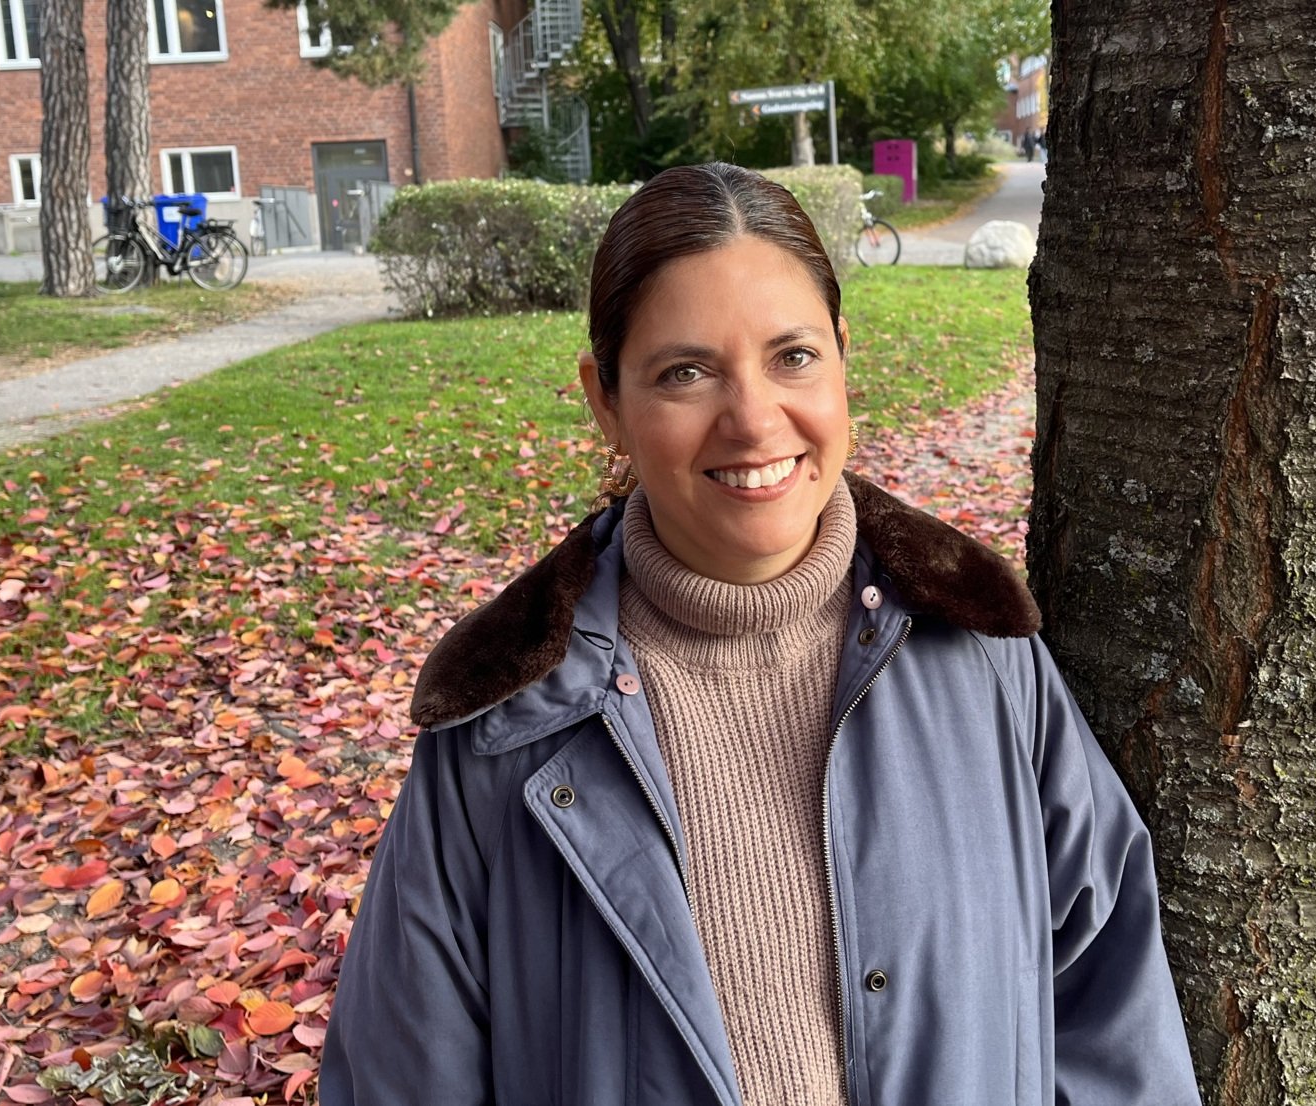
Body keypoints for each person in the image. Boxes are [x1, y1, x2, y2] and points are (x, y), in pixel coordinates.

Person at [319, 162, 1201, 1105]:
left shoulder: (983, 658)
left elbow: (1114, 1025)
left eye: (794, 357)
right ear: (606, 401)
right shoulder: (503, 730)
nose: (752, 420)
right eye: (686, 373)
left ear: (842, 357)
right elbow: (402, 1080)